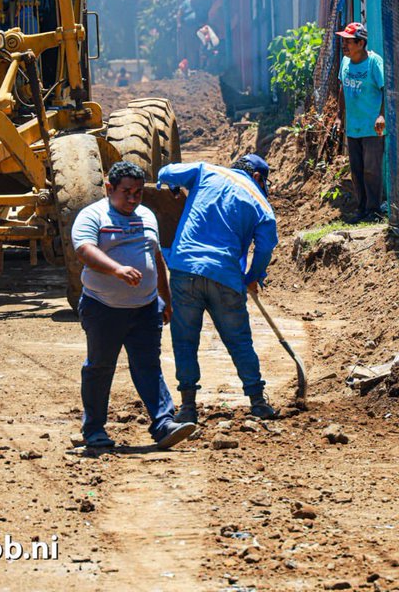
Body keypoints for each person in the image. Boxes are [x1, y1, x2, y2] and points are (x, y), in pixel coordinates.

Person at [71, 161, 197, 450]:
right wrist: (117, 270)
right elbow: (85, 250)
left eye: (138, 192)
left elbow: (155, 257)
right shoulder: (92, 216)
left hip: (145, 308)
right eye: (126, 192)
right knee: (100, 367)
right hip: (103, 308)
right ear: (109, 188)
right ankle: (94, 431)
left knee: (148, 366)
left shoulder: (146, 215)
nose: (132, 198)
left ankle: (164, 424)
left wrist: (164, 298)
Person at [157, 154, 280, 422]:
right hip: (226, 276)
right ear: (257, 177)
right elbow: (266, 247)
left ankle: (188, 407)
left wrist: (175, 186)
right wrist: (252, 276)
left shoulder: (205, 171)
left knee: (185, 340)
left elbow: (165, 172)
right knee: (239, 341)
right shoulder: (262, 204)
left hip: (185, 268)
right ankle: (258, 402)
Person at [336, 22, 386, 221]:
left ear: (360, 43)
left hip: (373, 127)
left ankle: (374, 210)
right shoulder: (345, 62)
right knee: (356, 170)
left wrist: (381, 115)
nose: (344, 45)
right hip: (353, 127)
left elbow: (384, 89)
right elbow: (342, 88)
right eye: (344, 41)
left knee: (371, 170)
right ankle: (362, 208)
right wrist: (340, 116)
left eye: (348, 42)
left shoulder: (374, 63)